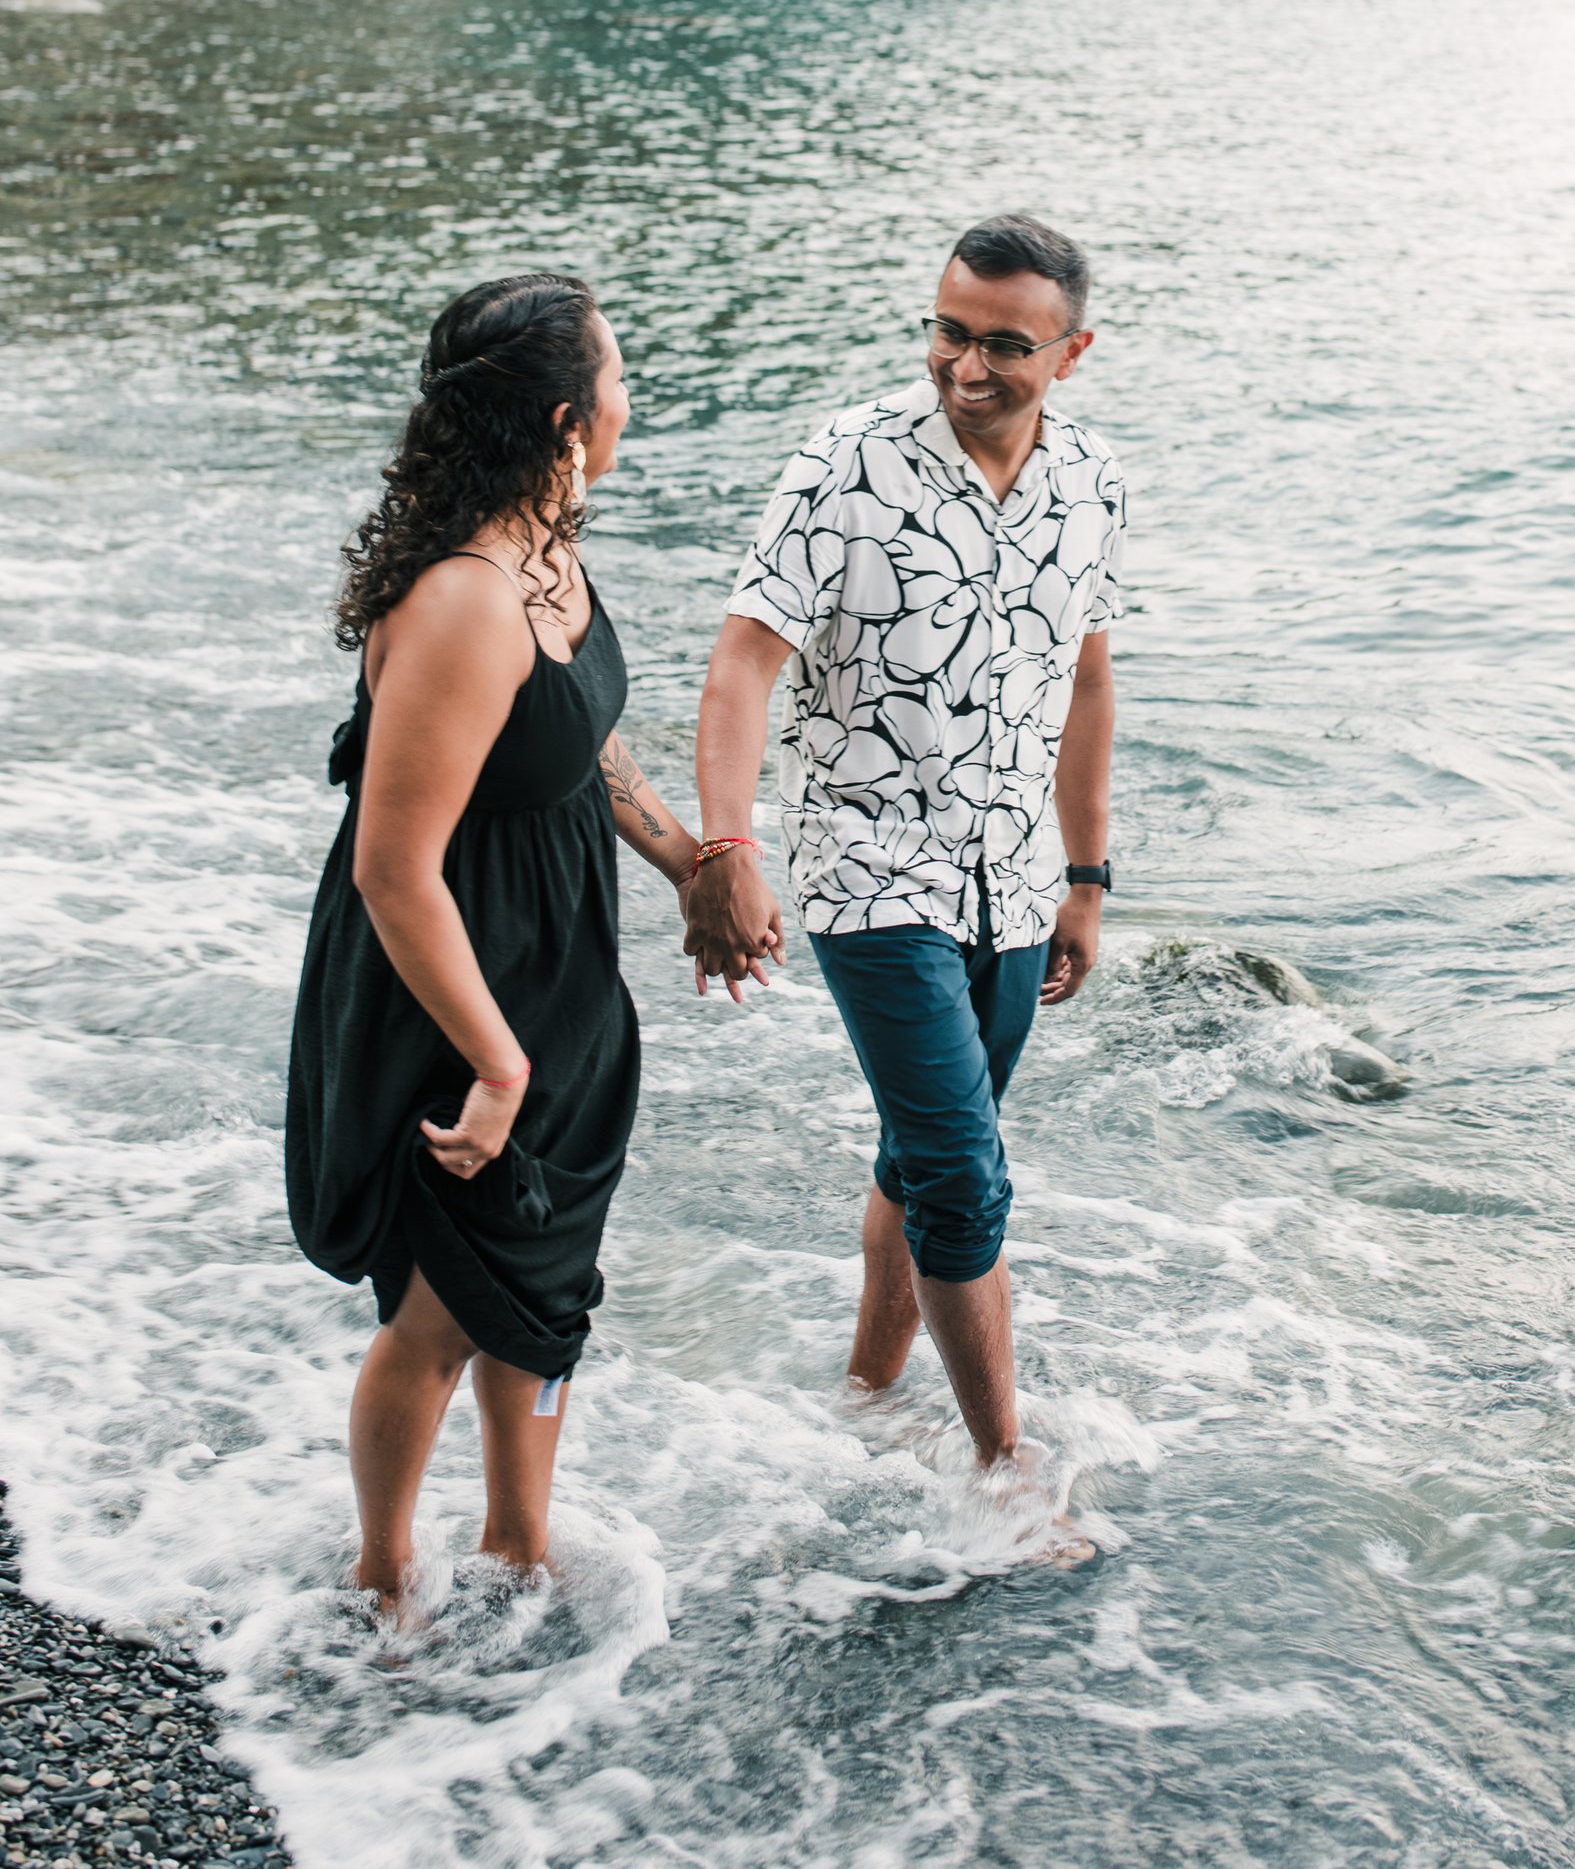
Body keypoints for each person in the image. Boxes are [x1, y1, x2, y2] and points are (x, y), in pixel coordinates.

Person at [286, 272, 717, 1610]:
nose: (629, 401)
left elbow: (573, 739)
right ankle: (382, 1580)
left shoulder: (550, 543)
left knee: (542, 1279)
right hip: (451, 985)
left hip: (557, 968)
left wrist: (690, 861)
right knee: (438, 1311)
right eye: (619, 378)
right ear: (564, 415)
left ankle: (519, 1541)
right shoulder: (467, 597)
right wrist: (498, 1062)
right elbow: (394, 867)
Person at [685, 214, 1124, 1472]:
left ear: (1071, 351)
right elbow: (741, 664)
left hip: (1017, 881)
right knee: (963, 1176)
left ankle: (867, 1394)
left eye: (1004, 345)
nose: (967, 367)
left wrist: (1085, 880)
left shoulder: (1092, 480)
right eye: (947, 331)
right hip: (871, 871)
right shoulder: (850, 461)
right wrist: (731, 851)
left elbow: (1086, 687)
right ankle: (1008, 1469)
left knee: (923, 1150)